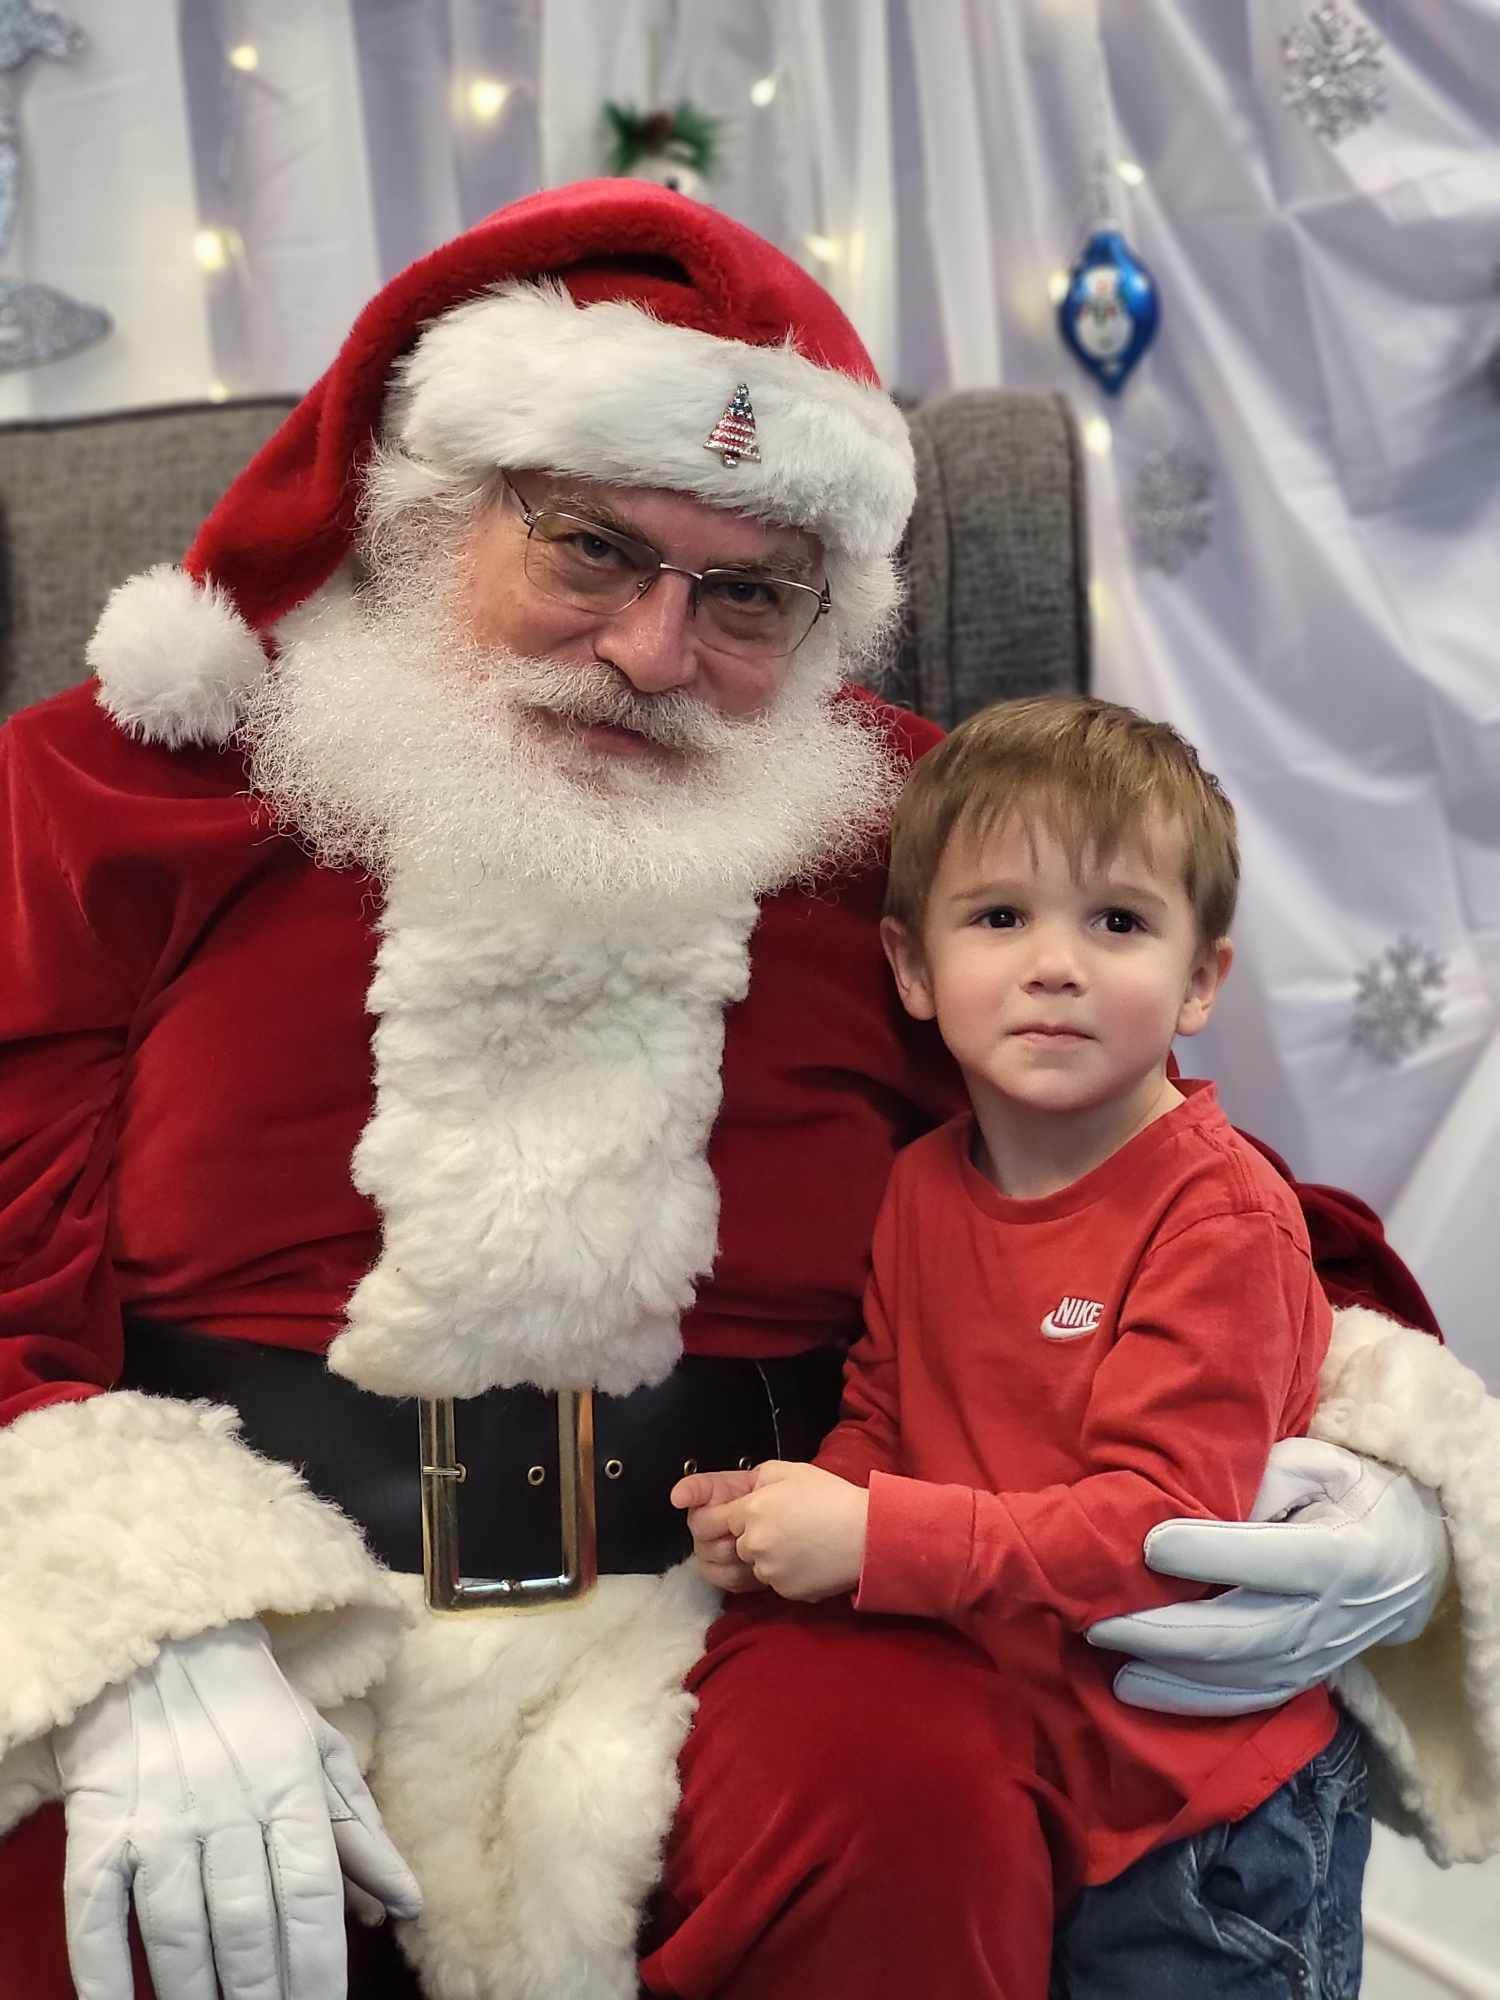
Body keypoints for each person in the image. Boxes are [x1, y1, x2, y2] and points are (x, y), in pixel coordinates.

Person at [0, 180, 1489, 2000]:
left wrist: (1377, 1469)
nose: (653, 653)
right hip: (251, 1597)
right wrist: (124, 1621)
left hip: (747, 1584)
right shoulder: (131, 793)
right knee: (92, 1896)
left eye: (748, 597)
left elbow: (1156, 1175)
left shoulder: (915, 838)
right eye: (593, 552)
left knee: (908, 1796)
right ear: (429, 515)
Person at [678, 695, 1364, 1995]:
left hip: (1201, 1818)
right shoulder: (922, 1188)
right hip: (1037, 1758)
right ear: (913, 968)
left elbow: (1164, 1535)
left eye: (1118, 922)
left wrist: (878, 1543)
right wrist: (797, 1519)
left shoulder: (1215, 1218)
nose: (1057, 965)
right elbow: (886, 1417)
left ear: (1203, 976)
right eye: (1001, 917)